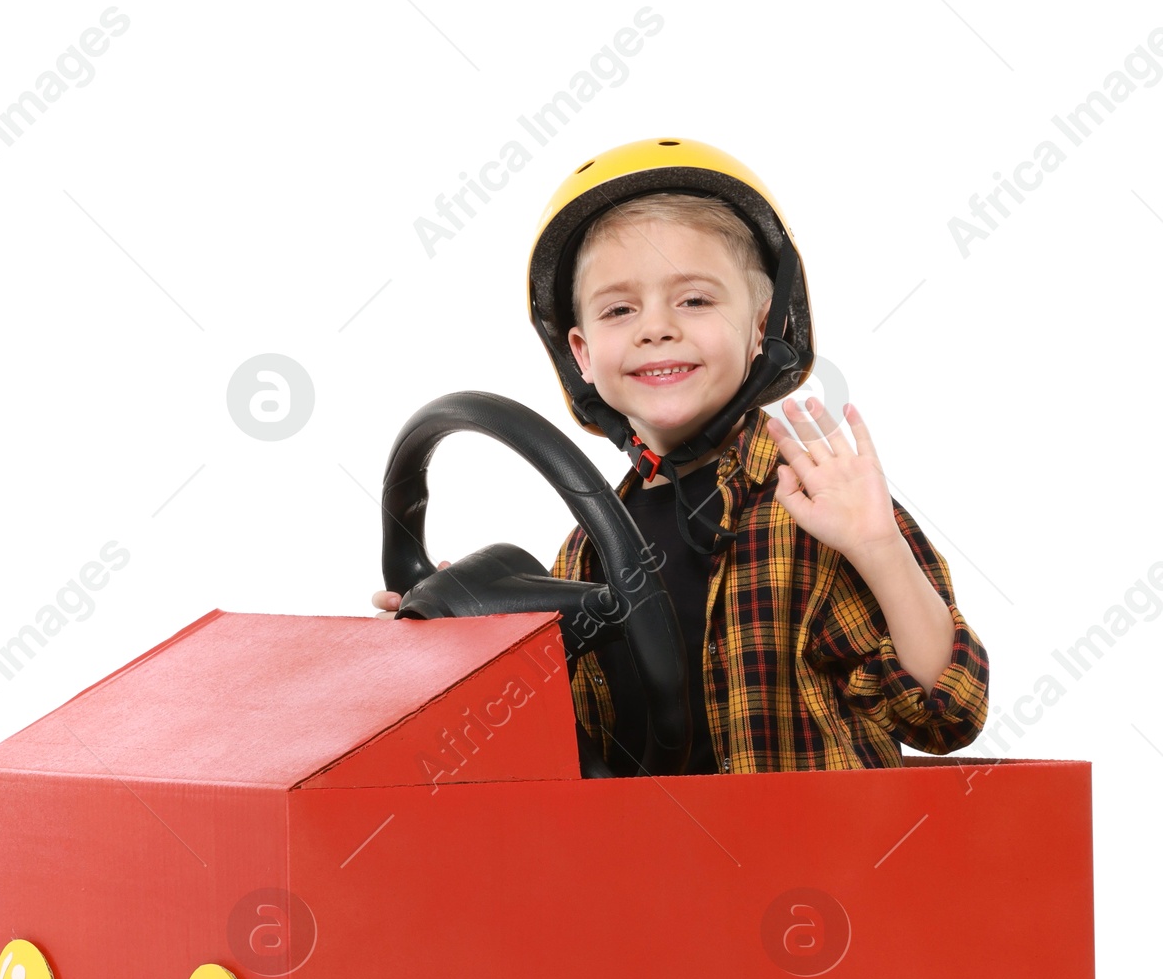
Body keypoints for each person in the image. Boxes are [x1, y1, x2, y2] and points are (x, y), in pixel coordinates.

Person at [375, 137, 988, 775]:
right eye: (619, 309)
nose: (655, 327)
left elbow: (946, 716)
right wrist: (464, 631)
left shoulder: (818, 512)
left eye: (694, 300)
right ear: (582, 354)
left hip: (818, 863)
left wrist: (878, 549)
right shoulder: (587, 550)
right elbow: (572, 750)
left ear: (761, 326)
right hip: (649, 867)